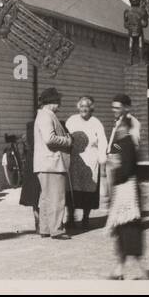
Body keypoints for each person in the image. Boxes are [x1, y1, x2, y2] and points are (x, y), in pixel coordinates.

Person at [106, 114, 146, 279]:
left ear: (126, 128)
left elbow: (127, 169)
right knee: (121, 232)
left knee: (129, 231)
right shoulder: (122, 143)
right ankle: (120, 269)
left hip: (127, 193)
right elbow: (113, 154)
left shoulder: (127, 143)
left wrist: (115, 168)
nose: (118, 129)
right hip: (122, 192)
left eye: (120, 126)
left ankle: (140, 271)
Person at [33, 87, 73, 240]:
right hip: (52, 163)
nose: (59, 105)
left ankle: (45, 228)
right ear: (52, 102)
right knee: (56, 198)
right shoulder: (46, 116)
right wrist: (67, 140)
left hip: (46, 164)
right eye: (58, 102)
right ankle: (57, 230)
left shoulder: (43, 115)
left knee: (46, 198)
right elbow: (50, 139)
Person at [65, 96, 108, 232]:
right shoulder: (71, 121)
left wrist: (102, 159)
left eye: (87, 106)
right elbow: (65, 137)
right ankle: (70, 217)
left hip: (91, 160)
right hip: (75, 160)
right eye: (82, 106)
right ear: (78, 107)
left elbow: (102, 141)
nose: (84, 108)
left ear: (91, 109)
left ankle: (85, 217)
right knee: (72, 189)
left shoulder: (96, 122)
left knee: (89, 190)